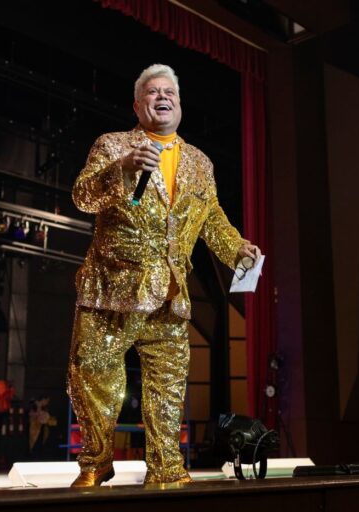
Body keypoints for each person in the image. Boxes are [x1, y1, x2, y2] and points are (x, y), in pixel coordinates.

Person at [67, 63, 261, 486]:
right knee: (95, 377)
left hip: (170, 292)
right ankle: (96, 463)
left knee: (168, 387)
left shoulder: (198, 163)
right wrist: (121, 168)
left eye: (170, 92)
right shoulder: (112, 145)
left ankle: (166, 467)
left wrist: (236, 248)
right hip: (111, 288)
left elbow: (211, 218)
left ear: (179, 104)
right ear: (138, 105)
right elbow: (82, 196)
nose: (163, 97)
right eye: (153, 92)